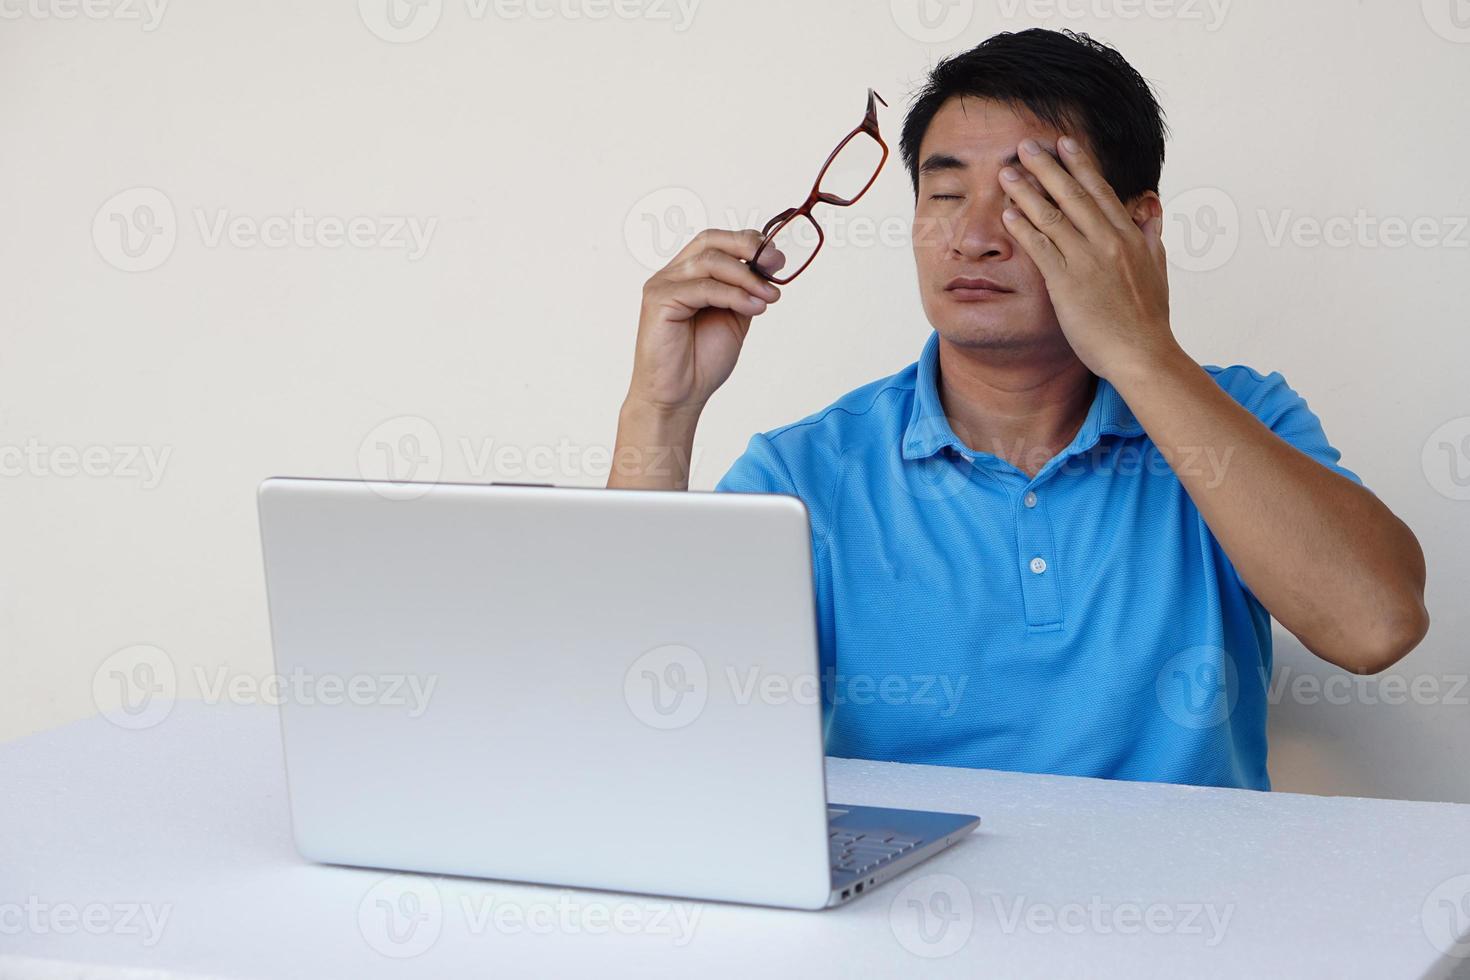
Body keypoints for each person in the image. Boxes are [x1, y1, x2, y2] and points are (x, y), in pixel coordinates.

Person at [607, 29, 1428, 790]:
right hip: (905, 921)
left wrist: (1140, 350)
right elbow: (648, 718)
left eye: (1028, 195)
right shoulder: (809, 473)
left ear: (1135, 227)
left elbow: (1374, 628)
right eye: (944, 194)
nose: (972, 237)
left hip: (1192, 919)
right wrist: (661, 408)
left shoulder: (1241, 417)